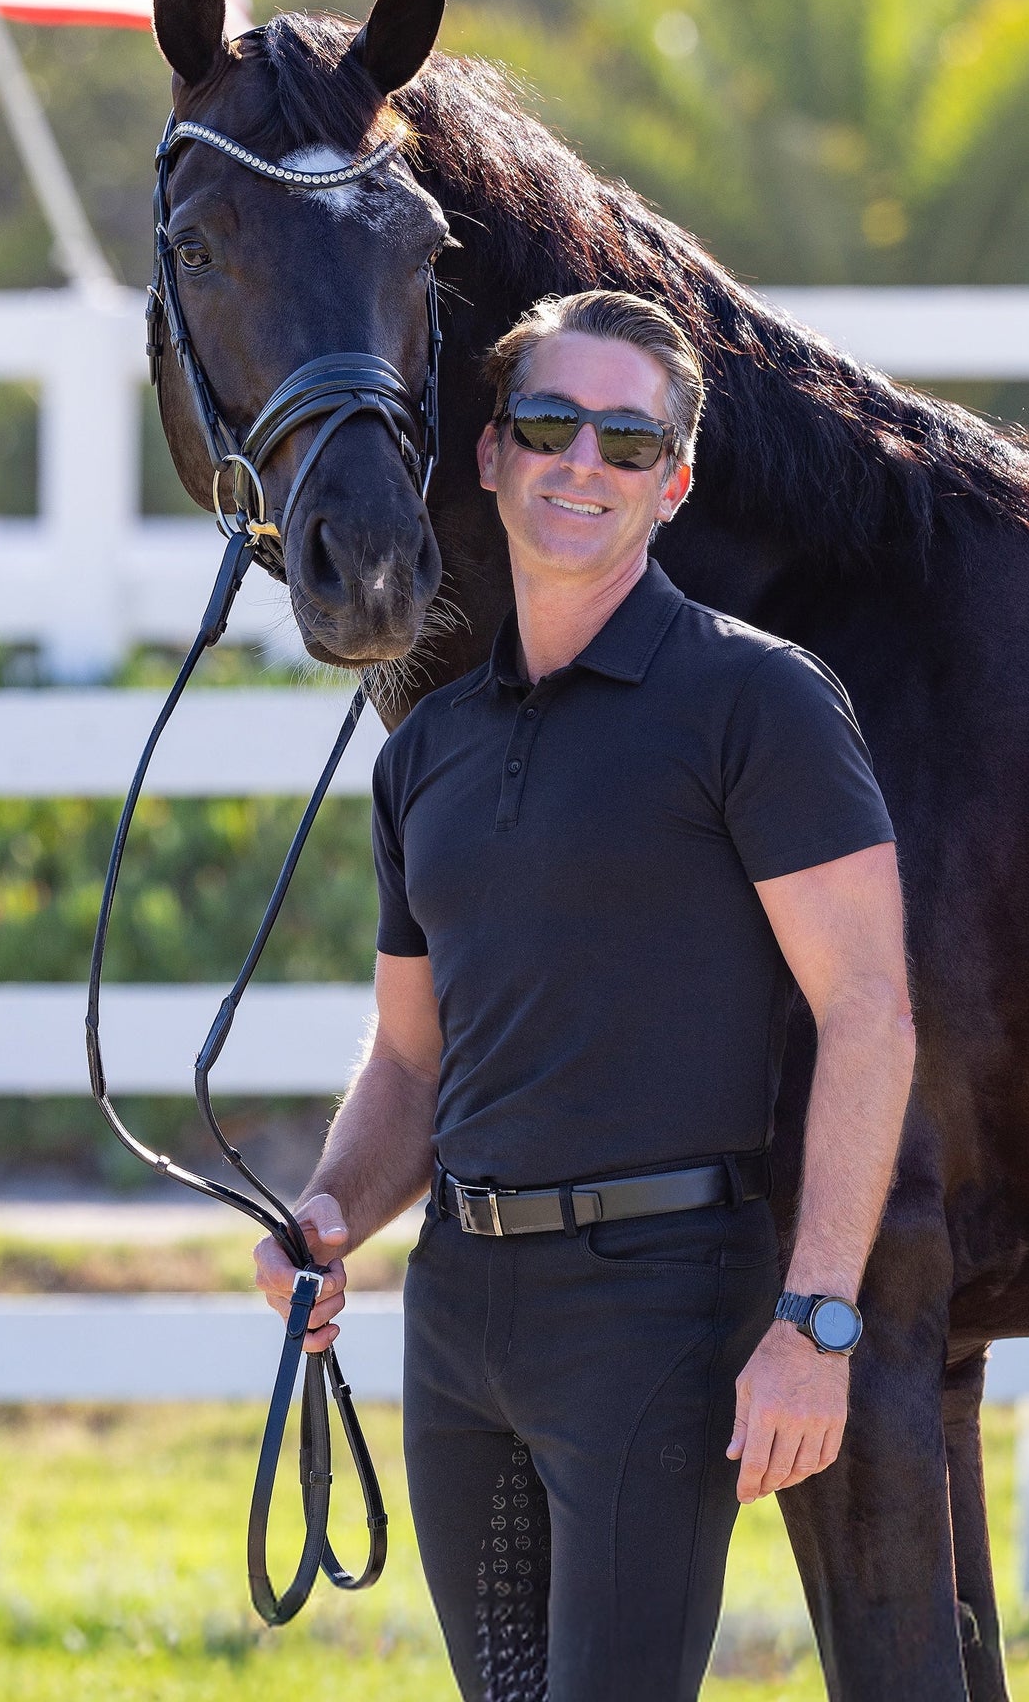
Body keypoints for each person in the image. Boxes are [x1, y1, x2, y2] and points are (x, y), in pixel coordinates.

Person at [254, 288, 916, 1701]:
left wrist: (817, 1323)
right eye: (551, 424)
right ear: (491, 453)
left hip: (658, 1309)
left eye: (629, 442)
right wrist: (331, 1214)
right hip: (460, 1311)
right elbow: (411, 1062)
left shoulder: (758, 703)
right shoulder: (425, 748)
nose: (583, 465)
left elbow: (870, 1014)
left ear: (674, 484)